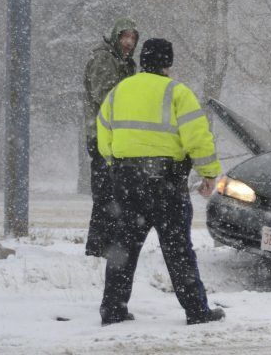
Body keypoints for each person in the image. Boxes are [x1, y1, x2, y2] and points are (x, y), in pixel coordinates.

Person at [96, 38, 225, 326]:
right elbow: (197, 136)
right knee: (178, 249)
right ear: (168, 63)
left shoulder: (119, 91)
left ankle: (113, 310)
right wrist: (208, 172)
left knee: (123, 249)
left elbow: (103, 135)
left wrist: (117, 166)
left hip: (127, 182)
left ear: (143, 60)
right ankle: (196, 311)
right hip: (166, 184)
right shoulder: (177, 92)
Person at [82, 17, 139, 257]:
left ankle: (109, 243)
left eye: (133, 38)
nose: (128, 43)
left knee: (117, 192)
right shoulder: (104, 58)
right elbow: (105, 96)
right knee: (105, 191)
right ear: (115, 37)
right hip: (101, 136)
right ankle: (97, 246)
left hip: (117, 137)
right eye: (124, 37)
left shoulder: (125, 62)